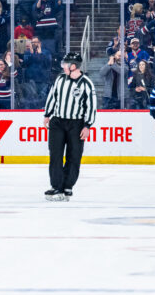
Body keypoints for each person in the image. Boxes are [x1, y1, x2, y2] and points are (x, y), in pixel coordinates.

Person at [42, 52, 97, 202]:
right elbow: (52, 96)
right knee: (55, 155)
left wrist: (87, 125)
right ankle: (56, 186)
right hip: (57, 122)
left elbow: (91, 106)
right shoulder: (60, 79)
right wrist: (47, 115)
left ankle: (67, 186)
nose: (63, 67)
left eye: (65, 64)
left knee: (74, 155)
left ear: (73, 66)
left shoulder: (86, 83)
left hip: (76, 124)